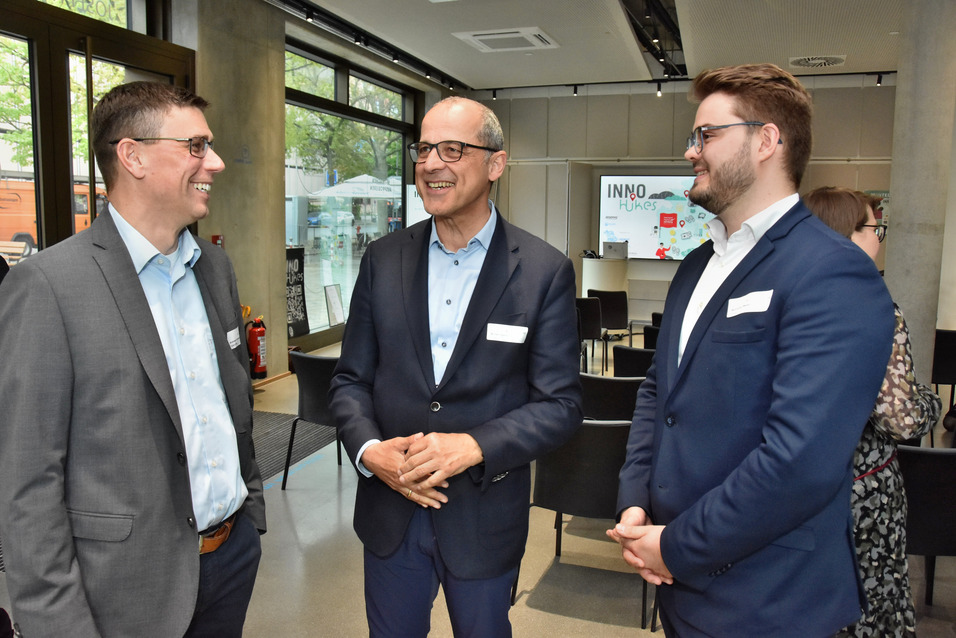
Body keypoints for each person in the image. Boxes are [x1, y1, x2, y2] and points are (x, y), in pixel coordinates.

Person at [608, 63, 896, 637]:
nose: (691, 151)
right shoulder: (697, 265)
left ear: (766, 141)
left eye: (706, 135)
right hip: (678, 580)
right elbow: (660, 393)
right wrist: (635, 500)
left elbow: (800, 461)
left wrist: (678, 546)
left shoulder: (832, 271)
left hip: (768, 598)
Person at [0, 81, 266, 638]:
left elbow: (232, 398)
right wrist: (57, 624)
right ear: (133, 156)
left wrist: (250, 511)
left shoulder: (214, 267)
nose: (215, 162)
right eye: (196, 146)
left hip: (231, 559)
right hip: (123, 590)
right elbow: (27, 481)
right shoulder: (48, 286)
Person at [329, 96, 582, 637]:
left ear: (495, 164)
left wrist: (472, 446)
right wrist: (371, 452)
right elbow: (350, 380)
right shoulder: (382, 259)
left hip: (483, 515)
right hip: (391, 509)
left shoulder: (544, 272)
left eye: (451, 149)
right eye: (423, 149)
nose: (430, 164)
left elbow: (560, 406)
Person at [804, 186, 941, 638]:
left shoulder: (789, 299)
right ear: (847, 234)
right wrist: (931, 402)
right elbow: (900, 418)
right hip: (862, 492)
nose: (879, 239)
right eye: (873, 229)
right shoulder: (873, 305)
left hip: (796, 482)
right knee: (868, 605)